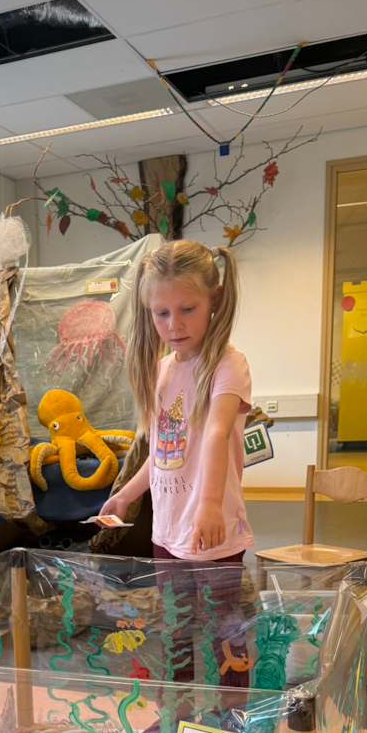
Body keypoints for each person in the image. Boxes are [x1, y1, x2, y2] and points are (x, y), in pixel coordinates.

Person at [99, 238, 254, 706]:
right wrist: (126, 495)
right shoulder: (163, 370)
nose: (174, 325)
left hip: (212, 528)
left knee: (226, 630)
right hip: (168, 531)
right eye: (161, 313)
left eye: (187, 309)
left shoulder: (228, 364)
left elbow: (216, 433)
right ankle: (177, 711)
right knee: (176, 628)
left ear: (215, 299)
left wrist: (208, 506)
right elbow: (166, 452)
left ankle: (231, 718)